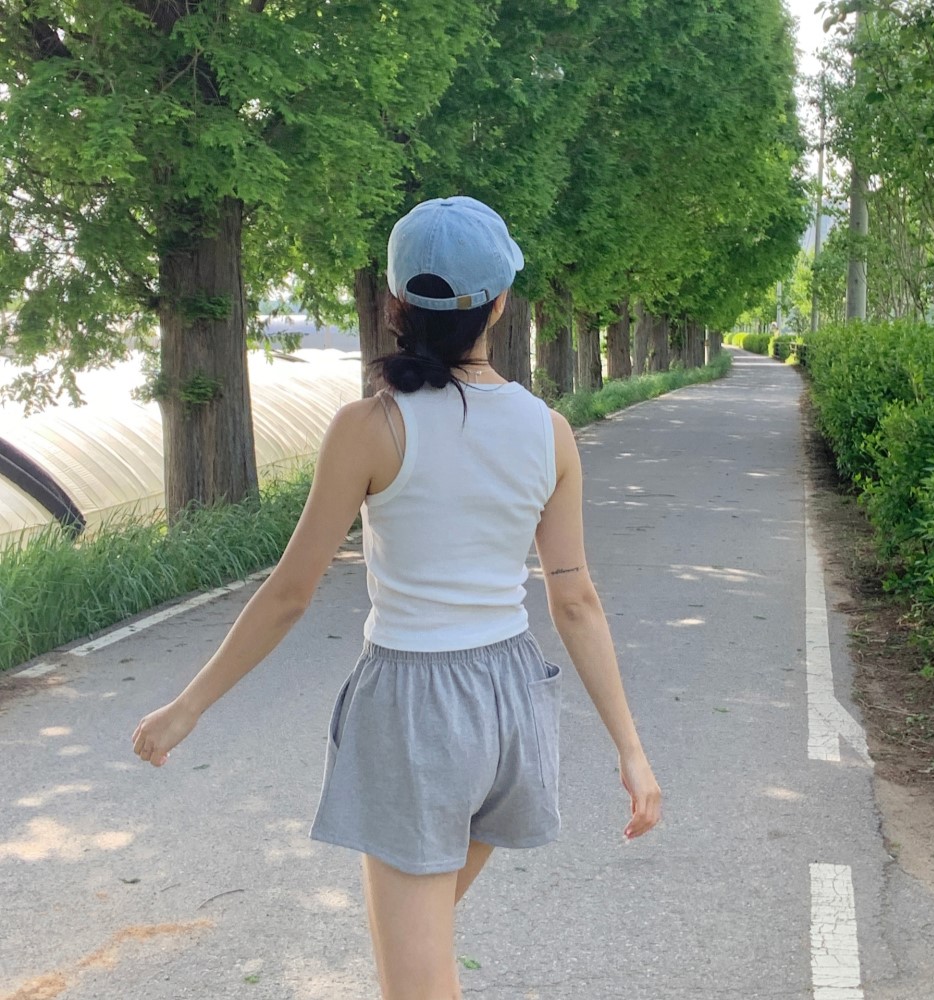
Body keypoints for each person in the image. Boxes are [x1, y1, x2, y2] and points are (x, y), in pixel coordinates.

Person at [132, 195, 662, 1000]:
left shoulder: (369, 427)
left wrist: (188, 707)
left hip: (416, 712)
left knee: (415, 982)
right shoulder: (549, 431)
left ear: (394, 305)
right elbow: (575, 599)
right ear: (500, 303)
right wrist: (630, 748)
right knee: (418, 956)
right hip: (514, 705)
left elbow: (290, 594)